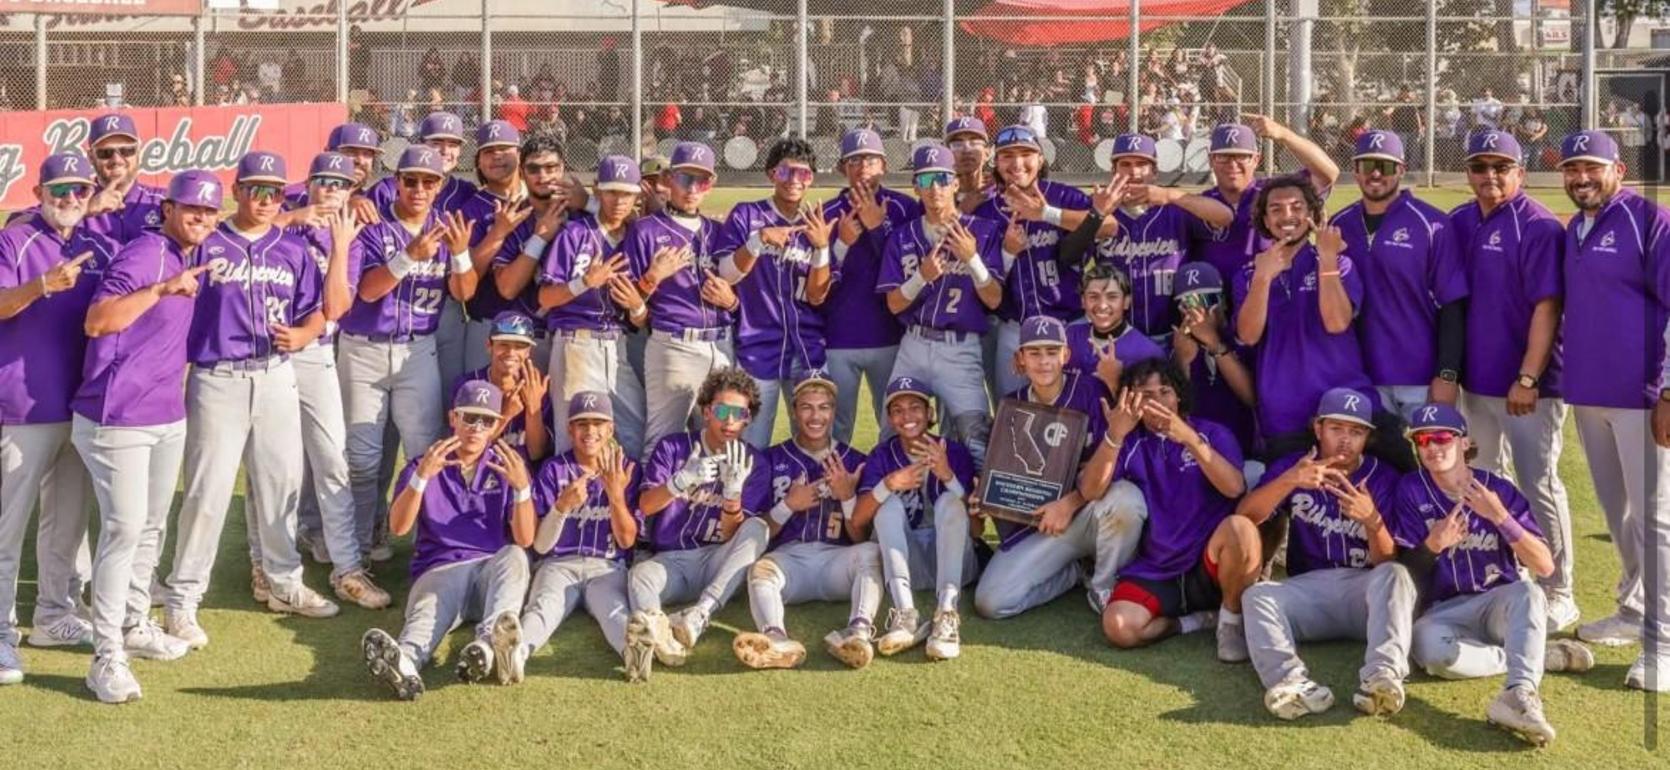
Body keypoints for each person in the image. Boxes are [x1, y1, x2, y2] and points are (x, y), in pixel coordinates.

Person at [161, 152, 340, 651]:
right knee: (206, 492)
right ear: (236, 190)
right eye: (256, 189)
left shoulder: (292, 248)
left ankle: (283, 582)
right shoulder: (207, 242)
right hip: (218, 378)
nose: (266, 200)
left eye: (276, 192)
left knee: (281, 483)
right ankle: (183, 598)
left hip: (276, 375)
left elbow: (316, 311)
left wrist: (306, 332)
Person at [74, 170, 221, 703]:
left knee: (152, 526)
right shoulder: (147, 254)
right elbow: (97, 320)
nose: (200, 219)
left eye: (208, 212)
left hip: (163, 413)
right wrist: (159, 291)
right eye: (191, 210)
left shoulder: (185, 255)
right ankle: (104, 656)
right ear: (168, 210)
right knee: (125, 530)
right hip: (117, 414)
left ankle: (134, 623)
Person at [1390, 403, 1593, 745]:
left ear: (1465, 443)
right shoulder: (1410, 489)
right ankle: (1533, 656)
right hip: (1443, 612)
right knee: (1432, 655)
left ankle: (1518, 694)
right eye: (1422, 441)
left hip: (1499, 602)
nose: (1432, 447)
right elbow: (1402, 574)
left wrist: (1500, 517)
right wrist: (1433, 546)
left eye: (1441, 437)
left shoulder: (1496, 489)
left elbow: (1544, 566)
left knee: (1530, 593)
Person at [1555, 129, 1670, 691]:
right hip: (1589, 392)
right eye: (1573, 169)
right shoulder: (1574, 227)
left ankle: (1665, 640)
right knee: (1617, 512)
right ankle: (1633, 606)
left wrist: (1669, 390)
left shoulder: (1648, 221)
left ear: (1618, 170)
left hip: (1643, 397)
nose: (1581, 178)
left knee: (1656, 517)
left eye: (1591, 169)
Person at [1448, 129, 1576, 631]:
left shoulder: (1538, 225)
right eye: (1481, 167)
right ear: (1469, 174)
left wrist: (1528, 375)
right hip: (1476, 382)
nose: (1490, 176)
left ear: (1520, 173)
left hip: (1528, 386)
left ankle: (1559, 587)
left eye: (1501, 167)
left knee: (1538, 481)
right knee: (1486, 480)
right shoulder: (1459, 221)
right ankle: (1507, 571)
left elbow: (1548, 306)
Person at [0, 154, 118, 682]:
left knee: (67, 523)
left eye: (79, 189)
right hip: (23, 405)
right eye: (61, 188)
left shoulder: (98, 248)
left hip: (81, 406)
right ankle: (1, 634)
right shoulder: (16, 239)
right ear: (39, 189)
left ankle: (54, 614)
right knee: (9, 528)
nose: (70, 198)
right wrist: (42, 285)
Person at [1237, 388, 1414, 720]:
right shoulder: (1295, 466)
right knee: (1258, 596)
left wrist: (1372, 522)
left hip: (1363, 592)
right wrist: (1290, 481)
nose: (1345, 440)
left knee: (1396, 576)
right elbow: (1245, 516)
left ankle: (1383, 677)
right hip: (1309, 591)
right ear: (1318, 428)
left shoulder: (1385, 478)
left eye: (1356, 431)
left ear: (1368, 437)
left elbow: (1387, 563)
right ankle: (1290, 682)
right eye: (1337, 429)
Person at [338, 146, 476, 564]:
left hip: (419, 349)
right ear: (396, 181)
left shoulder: (447, 226)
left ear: (439, 186)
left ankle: (428, 543)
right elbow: (367, 291)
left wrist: (462, 254)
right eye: (410, 179)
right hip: (363, 348)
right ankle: (358, 544)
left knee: (424, 450)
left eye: (428, 181)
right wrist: (409, 257)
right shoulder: (374, 226)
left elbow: (464, 294)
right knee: (362, 458)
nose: (418, 188)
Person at [360, 381, 535, 700]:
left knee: (515, 555)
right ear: (453, 418)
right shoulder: (424, 463)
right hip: (440, 569)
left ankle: (489, 646)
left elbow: (525, 538)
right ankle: (406, 663)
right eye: (470, 417)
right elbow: (399, 528)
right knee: (427, 615)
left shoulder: (506, 465)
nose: (477, 428)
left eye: (486, 420)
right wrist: (421, 478)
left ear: (496, 425)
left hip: (487, 574)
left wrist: (522, 489)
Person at [974, 317, 1145, 619]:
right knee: (992, 602)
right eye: (1034, 353)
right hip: (1043, 525)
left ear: (1065, 356)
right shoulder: (1010, 406)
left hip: (1091, 513)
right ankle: (1074, 573)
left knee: (1127, 500)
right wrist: (986, 497)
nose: (1044, 362)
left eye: (1052, 352)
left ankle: (1104, 584)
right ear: (1020, 359)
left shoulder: (1092, 392)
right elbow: (1005, 480)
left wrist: (1070, 502)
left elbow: (1118, 465)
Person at [1234, 176, 1410, 469]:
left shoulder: (1338, 263)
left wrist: (1327, 261)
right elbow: (1249, 336)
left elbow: (1336, 322)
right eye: (1276, 209)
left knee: (1401, 475)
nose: (1287, 216)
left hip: (1348, 403)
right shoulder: (1249, 274)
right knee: (1296, 503)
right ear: (1264, 218)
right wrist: (1263, 278)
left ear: (1312, 214)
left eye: (1296, 207)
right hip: (1286, 411)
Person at [1097, 357, 1258, 662]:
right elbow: (1090, 490)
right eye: (1145, 394)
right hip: (1158, 568)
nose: (1157, 401)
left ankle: (1230, 621)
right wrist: (1113, 436)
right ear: (1131, 401)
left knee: (1241, 528)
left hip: (1208, 565)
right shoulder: (1130, 442)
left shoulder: (1212, 433)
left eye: (1165, 391)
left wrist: (1190, 440)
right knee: (1119, 627)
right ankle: (1195, 622)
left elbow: (1235, 488)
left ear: (1179, 395)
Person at [732, 372, 881, 670]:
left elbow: (860, 537)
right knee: (760, 570)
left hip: (836, 561)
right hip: (788, 563)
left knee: (870, 553)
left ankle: (858, 632)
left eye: (824, 407)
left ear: (834, 411)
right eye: (807, 407)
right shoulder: (769, 459)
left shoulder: (854, 460)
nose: (816, 416)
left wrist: (848, 496)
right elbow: (755, 529)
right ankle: (774, 639)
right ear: (793, 410)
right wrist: (788, 505)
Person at [628, 367, 771, 667]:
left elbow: (735, 536)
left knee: (757, 528)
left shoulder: (754, 462)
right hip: (672, 560)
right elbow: (646, 505)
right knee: (640, 576)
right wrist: (677, 483)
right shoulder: (673, 447)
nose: (730, 421)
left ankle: (700, 614)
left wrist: (732, 496)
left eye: (740, 413)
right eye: (722, 410)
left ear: (748, 418)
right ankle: (659, 635)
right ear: (706, 412)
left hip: (717, 560)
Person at [1327, 130, 1468, 420]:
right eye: (1367, 165)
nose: (1376, 173)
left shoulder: (1432, 224)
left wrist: (1447, 374)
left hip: (1420, 374)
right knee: (1377, 464)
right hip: (1361, 374)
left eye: (1387, 166)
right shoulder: (1340, 224)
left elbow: (1452, 304)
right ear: (1355, 171)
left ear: (1401, 170)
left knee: (1435, 461)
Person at [879, 143, 1005, 465]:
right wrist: (921, 277)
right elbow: (893, 304)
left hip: (960, 350)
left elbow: (994, 299)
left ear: (955, 183)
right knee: (892, 435)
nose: (934, 188)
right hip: (915, 344)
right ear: (915, 187)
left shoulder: (983, 232)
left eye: (941, 179)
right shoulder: (903, 236)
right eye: (924, 181)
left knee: (977, 440)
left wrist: (972, 259)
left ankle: (970, 513)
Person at [510, 392, 647, 683]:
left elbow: (626, 541)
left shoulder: (627, 470)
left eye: (598, 423)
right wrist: (561, 506)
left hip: (607, 565)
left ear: (610, 429)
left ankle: (633, 653)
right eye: (581, 424)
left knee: (613, 609)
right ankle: (516, 654)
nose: (590, 431)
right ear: (570, 430)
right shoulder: (553, 469)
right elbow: (541, 545)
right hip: (558, 564)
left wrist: (616, 497)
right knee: (545, 606)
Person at [713, 138, 836, 447]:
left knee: (816, 441)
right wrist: (758, 242)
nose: (795, 181)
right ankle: (745, 496)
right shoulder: (747, 215)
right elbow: (726, 273)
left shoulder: (816, 225)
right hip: (756, 345)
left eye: (804, 174)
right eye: (786, 172)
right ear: (771, 174)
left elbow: (817, 296)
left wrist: (821, 247)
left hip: (807, 348)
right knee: (749, 443)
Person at [848, 377, 980, 660]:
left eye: (915, 407)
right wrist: (889, 483)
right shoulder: (883, 455)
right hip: (908, 563)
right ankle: (905, 612)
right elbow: (858, 520)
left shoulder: (954, 452)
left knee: (950, 500)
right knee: (887, 504)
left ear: (930, 413)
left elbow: (978, 528)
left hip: (955, 563)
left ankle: (947, 612)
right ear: (890, 418)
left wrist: (948, 476)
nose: (907, 416)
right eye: (898, 410)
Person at [1062, 133, 1232, 342]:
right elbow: (1068, 255)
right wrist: (1097, 214)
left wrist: (1170, 195)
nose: (1134, 172)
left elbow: (1225, 217)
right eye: (1125, 164)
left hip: (1174, 334)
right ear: (1113, 171)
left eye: (1142, 164)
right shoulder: (1098, 207)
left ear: (1155, 172)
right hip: (1116, 337)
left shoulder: (1176, 208)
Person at [624, 141, 735, 456]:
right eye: (685, 178)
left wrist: (731, 301)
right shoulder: (645, 231)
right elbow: (626, 297)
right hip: (674, 344)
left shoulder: (718, 230)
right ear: (669, 179)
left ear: (710, 184)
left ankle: (708, 505)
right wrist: (652, 278)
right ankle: (651, 504)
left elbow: (741, 288)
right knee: (662, 441)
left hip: (721, 345)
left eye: (701, 180)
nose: (692, 188)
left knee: (721, 441)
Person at [535, 153, 649, 457]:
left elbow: (638, 320)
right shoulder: (574, 234)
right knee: (571, 439)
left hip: (617, 344)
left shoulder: (637, 237)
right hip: (575, 342)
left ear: (637, 195)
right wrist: (583, 282)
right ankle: (569, 504)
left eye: (626, 193)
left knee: (636, 435)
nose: (619, 200)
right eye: (611, 191)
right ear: (597, 191)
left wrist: (638, 305)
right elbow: (545, 298)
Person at [970, 125, 1097, 396]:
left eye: (1026, 153)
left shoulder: (1064, 196)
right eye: (1007, 156)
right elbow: (985, 285)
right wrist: (1007, 252)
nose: (1017, 163)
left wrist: (1047, 214)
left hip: (1070, 324)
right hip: (1014, 328)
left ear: (1040, 159)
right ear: (996, 162)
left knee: (1079, 408)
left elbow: (1108, 225)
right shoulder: (984, 213)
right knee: (1013, 412)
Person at [365, 112, 481, 393]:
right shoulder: (385, 191)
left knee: (443, 395)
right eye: (436, 142)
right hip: (392, 303)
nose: (445, 150)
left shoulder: (466, 192)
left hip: (444, 302)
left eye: (453, 144)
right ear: (418, 143)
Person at [821, 128, 921, 444]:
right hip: (839, 336)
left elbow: (908, 270)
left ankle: (893, 489)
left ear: (884, 166)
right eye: (853, 160)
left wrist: (879, 228)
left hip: (891, 335)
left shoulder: (905, 208)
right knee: (836, 427)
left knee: (894, 424)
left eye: (870, 159)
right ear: (842, 168)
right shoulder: (826, 213)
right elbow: (816, 279)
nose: (862, 166)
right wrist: (843, 243)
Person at [1193, 115, 1339, 281]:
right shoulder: (1198, 205)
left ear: (1256, 160)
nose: (1232, 165)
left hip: (1269, 297)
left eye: (1241, 156)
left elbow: (1327, 174)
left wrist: (1284, 134)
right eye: (1223, 157)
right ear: (1211, 160)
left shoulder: (1273, 193)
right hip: (1214, 302)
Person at [458, 120, 530, 372]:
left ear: (519, 154)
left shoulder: (540, 198)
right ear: (479, 161)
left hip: (539, 325)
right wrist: (498, 233)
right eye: (489, 151)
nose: (497, 156)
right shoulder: (471, 208)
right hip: (487, 323)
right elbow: (469, 276)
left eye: (504, 149)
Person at [1169, 262, 1257, 460]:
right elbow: (1177, 413)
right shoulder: (1177, 343)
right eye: (1188, 303)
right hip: (1194, 456)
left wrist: (1214, 343)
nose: (1197, 310)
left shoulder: (1243, 336)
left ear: (1223, 302)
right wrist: (1182, 361)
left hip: (1243, 452)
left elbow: (1252, 398)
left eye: (1206, 300)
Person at [452, 311, 551, 462]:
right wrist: (505, 415)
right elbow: (465, 450)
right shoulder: (468, 386)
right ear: (489, 346)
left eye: (519, 346)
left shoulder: (536, 387)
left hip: (523, 474)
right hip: (478, 473)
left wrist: (533, 409)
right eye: (503, 344)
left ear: (528, 352)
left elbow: (536, 454)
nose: (511, 352)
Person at [1062, 262, 1165, 391]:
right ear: (1083, 301)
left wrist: (1115, 381)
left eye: (1112, 297)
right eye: (1093, 297)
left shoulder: (1147, 353)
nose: (1102, 305)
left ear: (1126, 302)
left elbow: (1152, 407)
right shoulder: (1068, 336)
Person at [81, 113, 165, 244]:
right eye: (106, 153)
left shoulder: (162, 202)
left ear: (138, 152)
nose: (117, 160)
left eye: (126, 151)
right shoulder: (75, 200)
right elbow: (39, 225)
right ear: (91, 157)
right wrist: (85, 209)